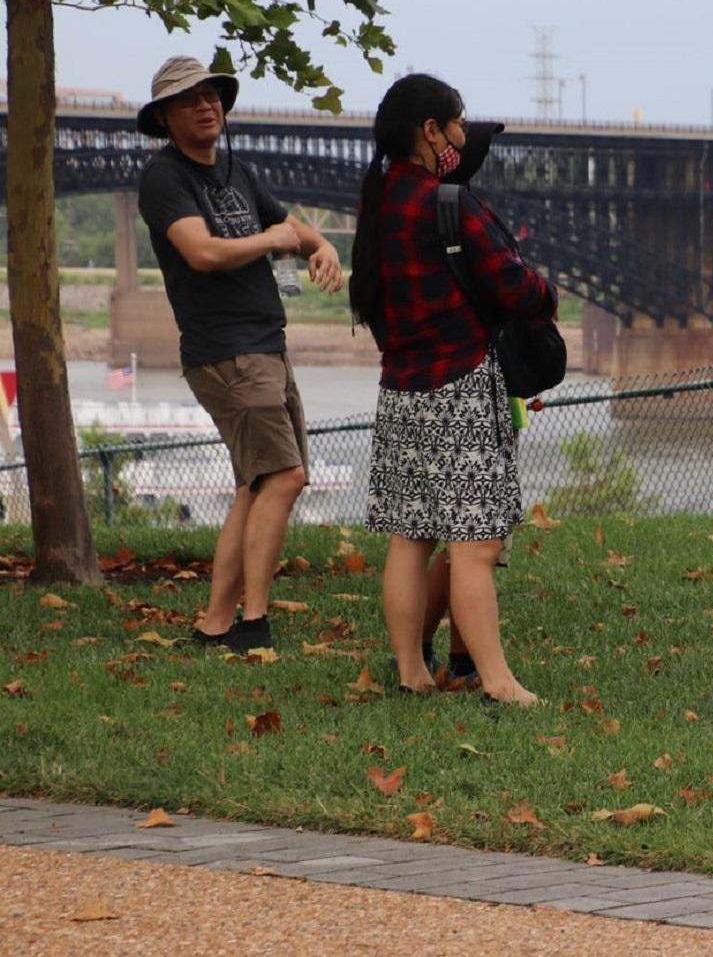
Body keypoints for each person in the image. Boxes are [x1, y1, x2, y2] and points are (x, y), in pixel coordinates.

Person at [349, 74, 556, 706]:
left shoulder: (378, 201)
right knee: (476, 545)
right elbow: (514, 288)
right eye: (456, 124)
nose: (463, 136)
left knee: (411, 537)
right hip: (460, 384)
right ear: (431, 131)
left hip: (401, 388)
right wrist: (548, 292)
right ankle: (496, 681)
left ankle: (411, 670)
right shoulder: (449, 204)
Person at [135, 55, 344, 655]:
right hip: (226, 350)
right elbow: (200, 252)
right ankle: (254, 623)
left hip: (266, 344)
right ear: (166, 118)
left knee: (256, 485)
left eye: (211, 95)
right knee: (285, 476)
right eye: (188, 100)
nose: (205, 106)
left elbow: (291, 229)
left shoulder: (237, 171)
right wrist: (275, 240)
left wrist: (320, 243)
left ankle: (216, 625)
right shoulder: (165, 178)